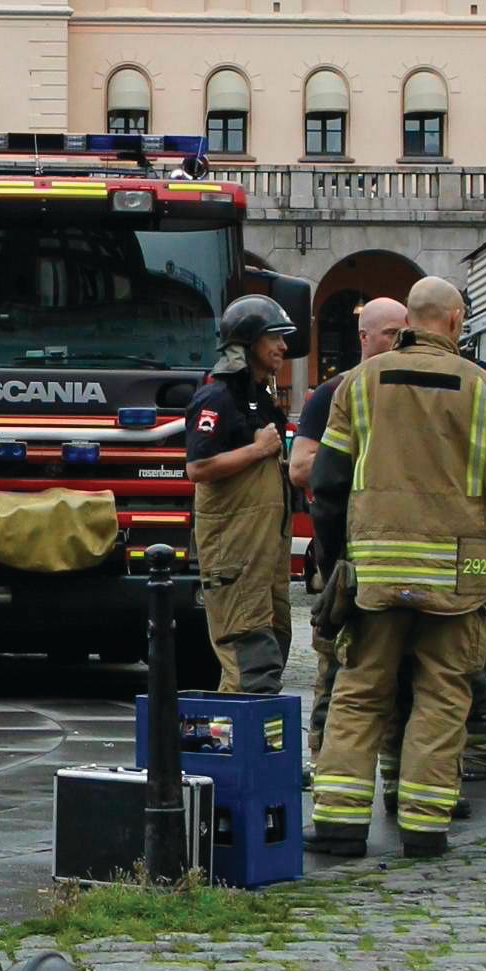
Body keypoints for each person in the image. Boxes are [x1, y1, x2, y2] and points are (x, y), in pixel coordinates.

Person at [306, 276, 486, 860]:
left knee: (359, 692)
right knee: (443, 694)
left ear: (409, 319)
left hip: (374, 573)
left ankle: (338, 822)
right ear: (456, 321)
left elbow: (328, 484)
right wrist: (471, 515)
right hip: (459, 575)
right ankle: (425, 827)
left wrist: (335, 562)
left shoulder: (357, 386)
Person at [185, 296, 298, 696]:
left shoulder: (260, 398)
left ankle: (240, 748)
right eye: (274, 337)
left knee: (269, 649)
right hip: (236, 551)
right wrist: (256, 450)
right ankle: (235, 751)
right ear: (249, 340)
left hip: (265, 552)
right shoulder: (217, 397)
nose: (283, 347)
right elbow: (197, 468)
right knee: (249, 657)